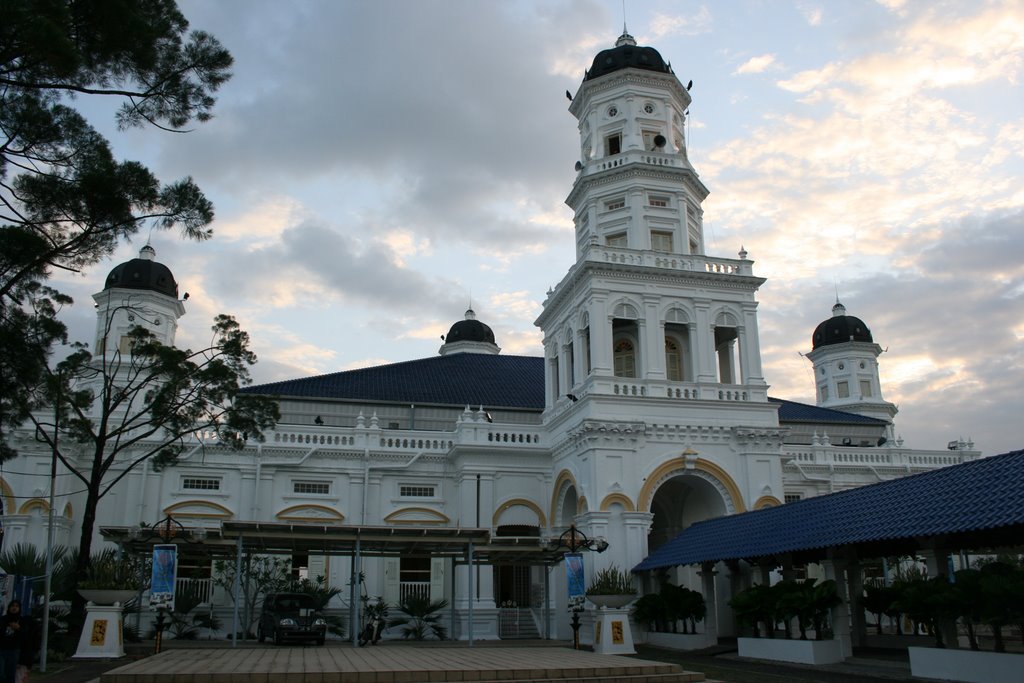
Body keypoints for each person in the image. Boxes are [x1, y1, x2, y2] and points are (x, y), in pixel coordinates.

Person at [0, 600, 25, 683]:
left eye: (16, 606)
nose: (14, 608)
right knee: (1, 673)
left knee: (10, 673)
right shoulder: (3, 619)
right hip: (2, 649)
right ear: (9, 607)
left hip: (14, 650)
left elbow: (25, 636)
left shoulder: (21, 620)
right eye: (12, 606)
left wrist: (18, 628)